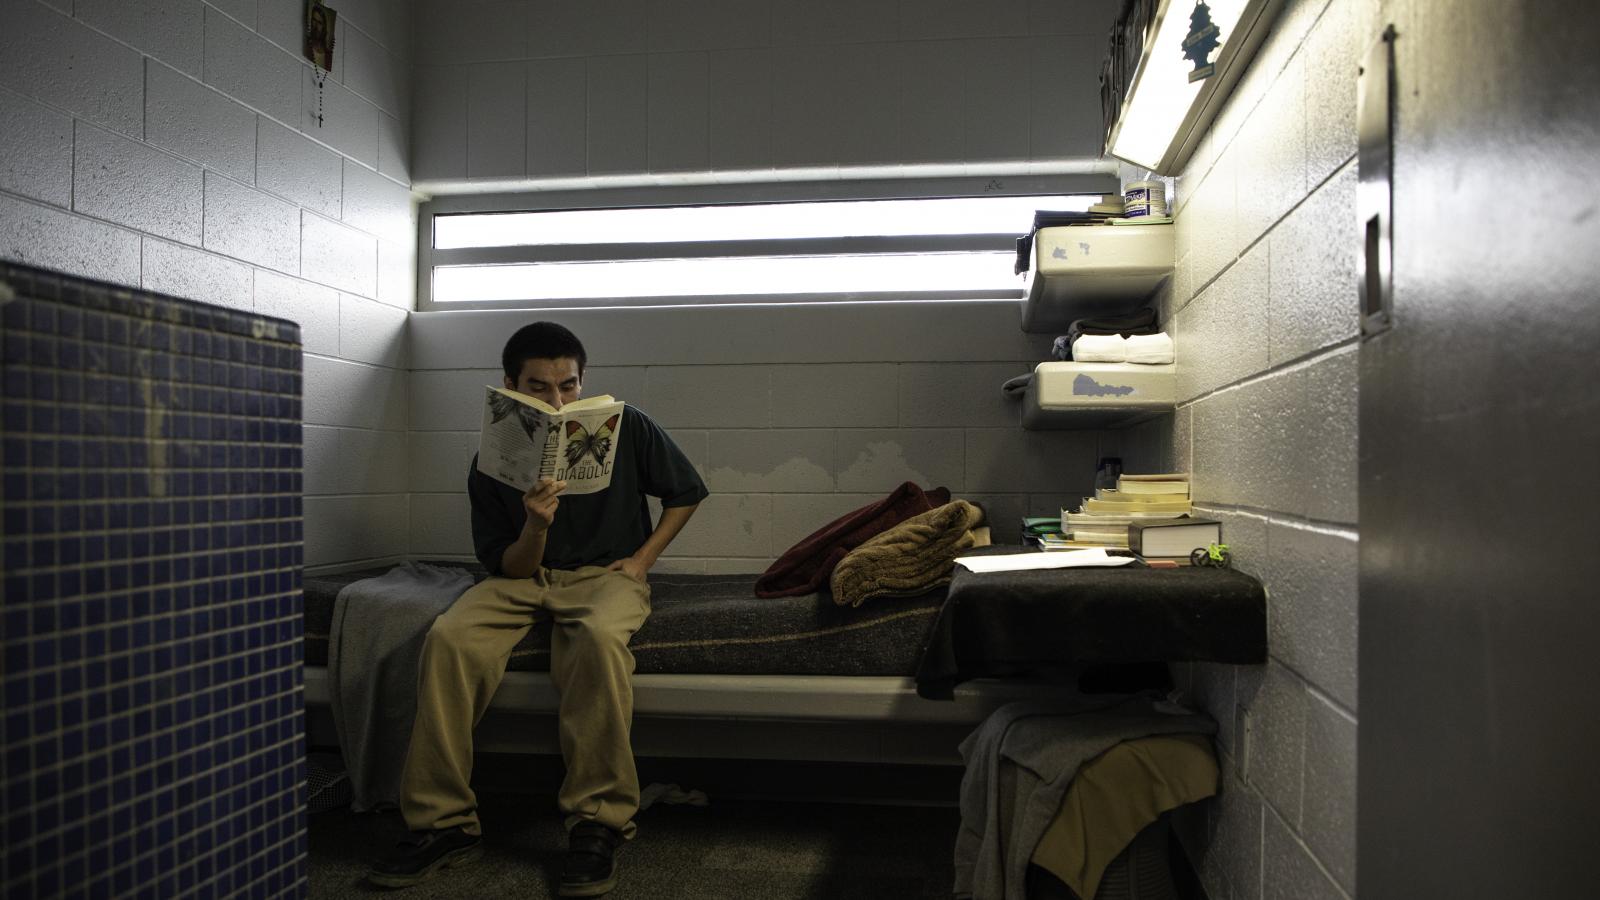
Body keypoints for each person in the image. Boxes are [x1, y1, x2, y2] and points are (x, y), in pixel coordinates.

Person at [368, 322, 707, 896]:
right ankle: (442, 823)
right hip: (524, 578)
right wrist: (536, 523)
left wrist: (641, 562)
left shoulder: (630, 427)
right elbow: (515, 569)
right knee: (450, 638)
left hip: (606, 574)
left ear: (583, 381)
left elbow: (687, 492)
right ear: (511, 385)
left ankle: (598, 822)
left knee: (598, 641)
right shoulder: (494, 454)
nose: (557, 401)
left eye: (568, 387)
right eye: (540, 388)